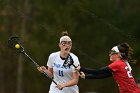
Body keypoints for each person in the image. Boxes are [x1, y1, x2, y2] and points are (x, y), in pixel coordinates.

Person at [76, 43, 140, 93]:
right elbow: (102, 76)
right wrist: (86, 76)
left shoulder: (117, 64)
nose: (109, 54)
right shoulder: (122, 63)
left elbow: (97, 71)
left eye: (111, 53)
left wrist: (81, 68)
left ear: (118, 55)